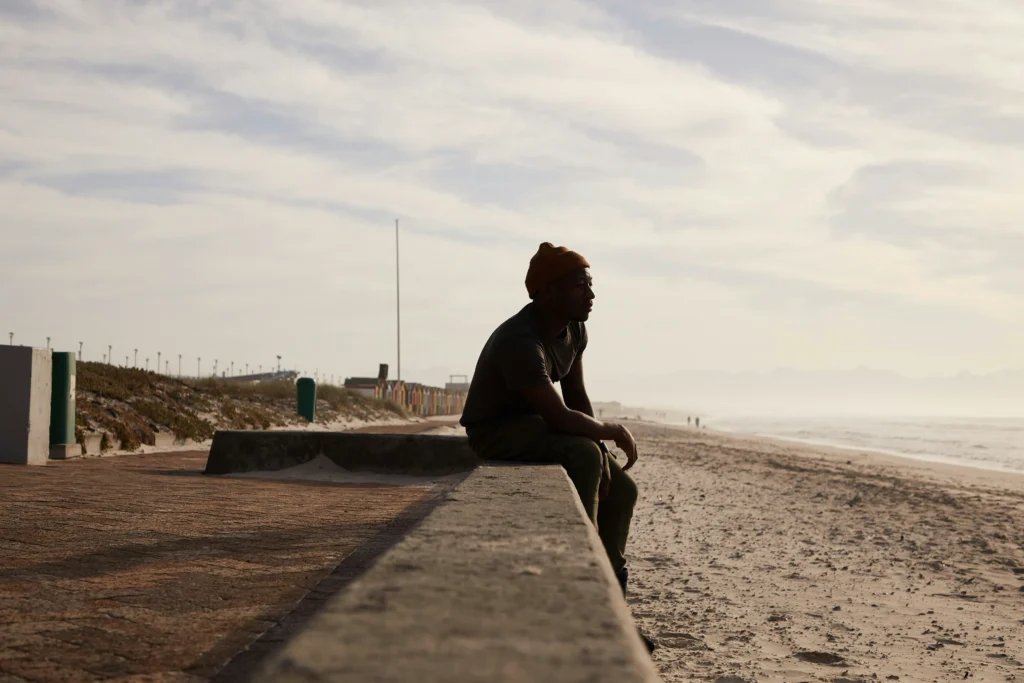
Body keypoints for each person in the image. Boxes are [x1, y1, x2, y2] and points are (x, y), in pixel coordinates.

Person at [460, 242, 654, 651]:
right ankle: (584, 569)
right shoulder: (519, 339)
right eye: (581, 286)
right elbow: (559, 417)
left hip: (540, 424)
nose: (591, 295)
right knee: (584, 455)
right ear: (547, 292)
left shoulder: (574, 329)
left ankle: (613, 598)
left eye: (590, 285)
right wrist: (609, 432)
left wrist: (600, 441)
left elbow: (576, 399)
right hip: (496, 432)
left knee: (625, 488)